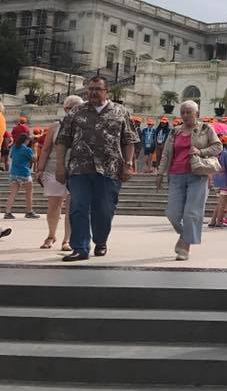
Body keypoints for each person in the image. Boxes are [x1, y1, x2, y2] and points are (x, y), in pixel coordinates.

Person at [55, 76, 139, 261]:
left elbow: (129, 140)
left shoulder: (120, 112)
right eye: (90, 89)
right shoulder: (76, 112)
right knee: (78, 207)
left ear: (106, 92)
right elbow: (62, 140)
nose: (93, 92)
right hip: (79, 168)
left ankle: (100, 240)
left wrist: (128, 164)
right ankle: (80, 248)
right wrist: (59, 166)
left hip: (110, 169)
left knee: (104, 209)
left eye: (97, 89)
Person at [156, 100, 222, 261]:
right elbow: (166, 154)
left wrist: (200, 151)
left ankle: (185, 246)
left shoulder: (206, 129)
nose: (185, 115)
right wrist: (160, 173)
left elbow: (218, 146)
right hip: (176, 175)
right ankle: (185, 236)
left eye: (188, 112)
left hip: (197, 174)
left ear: (196, 113)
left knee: (192, 213)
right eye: (183, 112)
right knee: (172, 213)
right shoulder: (175, 132)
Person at [35, 95, 84, 250]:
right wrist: (40, 169)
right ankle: (51, 235)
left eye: (77, 108)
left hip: (76, 170)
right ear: (65, 109)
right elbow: (46, 149)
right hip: (53, 169)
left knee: (72, 206)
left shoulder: (85, 126)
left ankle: (67, 240)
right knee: (53, 206)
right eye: (71, 108)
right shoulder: (55, 126)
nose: (74, 111)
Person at [5, 133, 37, 220]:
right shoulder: (27, 149)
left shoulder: (14, 147)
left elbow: (12, 156)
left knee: (13, 193)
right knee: (29, 193)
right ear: (26, 140)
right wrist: (34, 148)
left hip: (14, 173)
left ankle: (7, 212)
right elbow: (34, 159)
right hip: (24, 173)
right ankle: (29, 211)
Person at [209, 136, 227, 228]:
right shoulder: (226, 154)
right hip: (224, 180)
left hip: (216, 178)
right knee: (222, 202)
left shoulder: (217, 153)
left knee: (220, 201)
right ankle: (219, 221)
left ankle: (213, 220)